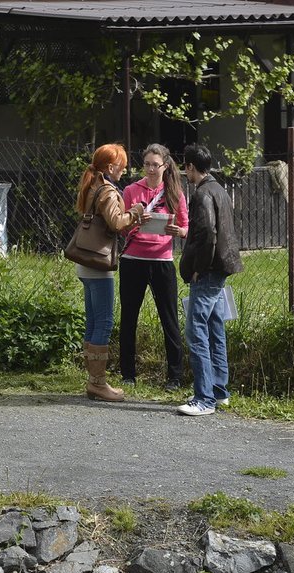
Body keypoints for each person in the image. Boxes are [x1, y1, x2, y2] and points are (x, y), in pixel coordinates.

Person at [73, 143, 144, 402]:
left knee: (92, 322)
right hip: (99, 264)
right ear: (111, 166)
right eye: (122, 167)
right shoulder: (107, 190)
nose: (123, 171)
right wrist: (135, 212)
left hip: (85, 262)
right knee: (103, 322)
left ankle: (94, 381)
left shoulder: (92, 184)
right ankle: (98, 384)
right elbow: (116, 222)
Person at [177, 143, 243, 417]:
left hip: (208, 270)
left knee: (196, 330)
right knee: (216, 327)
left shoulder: (202, 194)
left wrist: (197, 268)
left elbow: (207, 235)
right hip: (223, 267)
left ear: (191, 167)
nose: (185, 172)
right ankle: (219, 391)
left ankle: (204, 399)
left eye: (185, 167)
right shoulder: (220, 190)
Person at [119, 143, 188, 390]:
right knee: (129, 317)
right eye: (146, 164)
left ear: (165, 166)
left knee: (169, 319)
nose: (150, 169)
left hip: (161, 260)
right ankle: (127, 373)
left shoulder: (174, 192)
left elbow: (185, 227)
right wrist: (136, 219)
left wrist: (177, 231)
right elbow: (122, 226)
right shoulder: (130, 190)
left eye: (154, 165)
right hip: (133, 260)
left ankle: (175, 376)